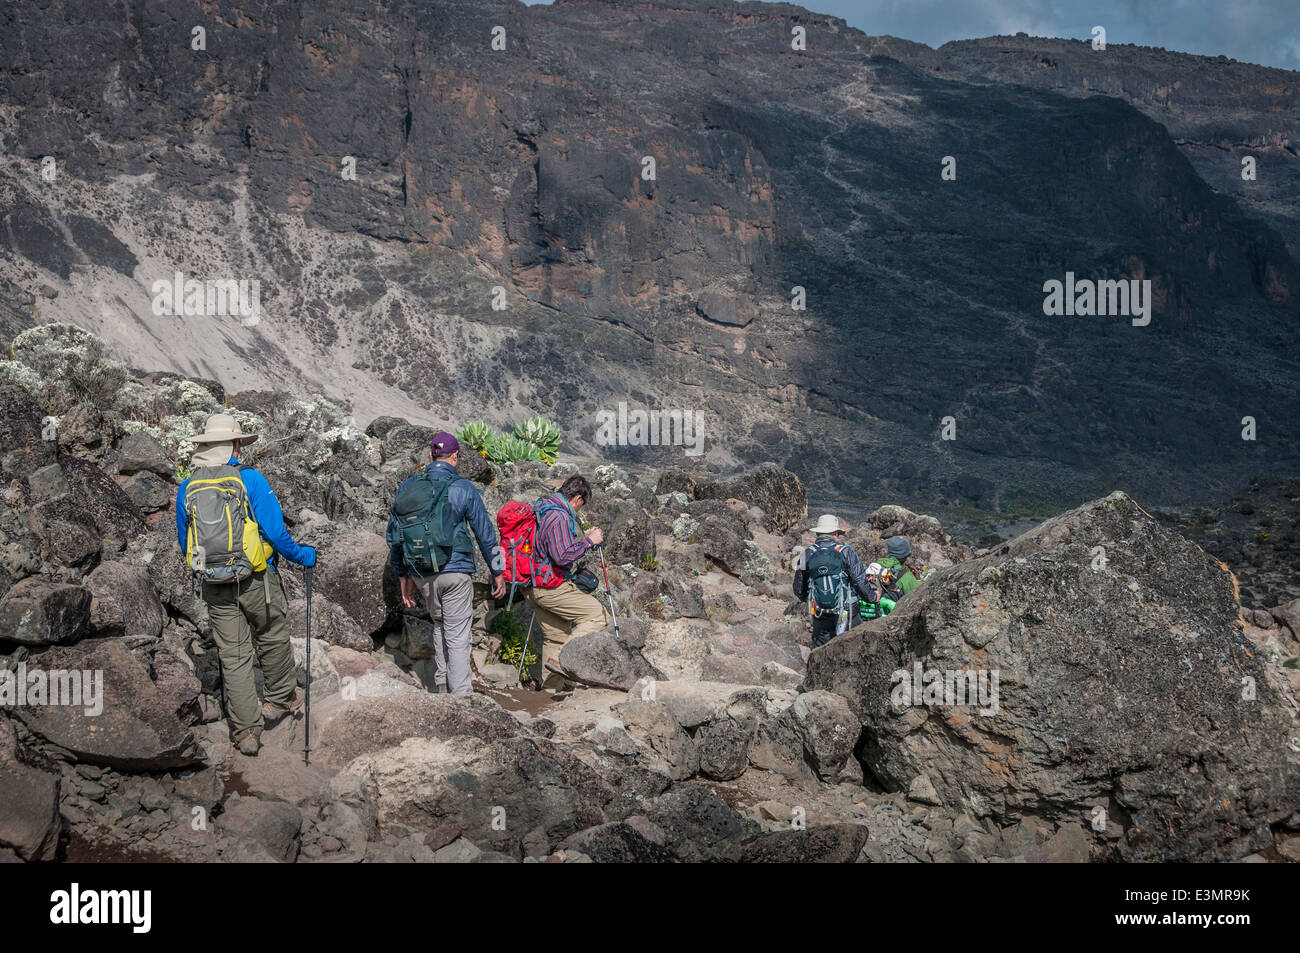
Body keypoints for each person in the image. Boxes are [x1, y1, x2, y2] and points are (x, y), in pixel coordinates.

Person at [176, 413, 316, 756]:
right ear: (235, 445)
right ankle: (281, 699)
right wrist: (302, 555)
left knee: (233, 656)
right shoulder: (250, 480)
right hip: (256, 577)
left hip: (213, 581)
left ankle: (246, 733)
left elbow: (185, 543)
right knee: (271, 633)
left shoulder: (187, 487)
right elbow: (275, 532)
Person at [387, 432, 505, 694]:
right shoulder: (463, 487)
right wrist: (498, 570)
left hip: (422, 573)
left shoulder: (409, 487)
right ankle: (462, 696)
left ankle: (441, 685)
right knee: (458, 634)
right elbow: (485, 534)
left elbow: (394, 535)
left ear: (431, 456)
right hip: (455, 571)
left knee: (440, 624)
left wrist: (403, 575)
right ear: (455, 457)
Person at [525, 474, 611, 685]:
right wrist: (589, 541)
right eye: (583, 504)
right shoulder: (560, 516)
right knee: (598, 616)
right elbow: (561, 555)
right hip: (549, 586)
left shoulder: (542, 507)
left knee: (556, 636)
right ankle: (561, 660)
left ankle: (549, 691)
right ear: (578, 498)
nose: (580, 509)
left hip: (530, 585)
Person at [793, 514, 875, 648]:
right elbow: (860, 580)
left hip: (820, 611)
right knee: (853, 648)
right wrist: (872, 597)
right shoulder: (847, 552)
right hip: (847, 612)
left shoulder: (806, 554)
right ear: (836, 533)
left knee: (821, 650)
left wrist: (813, 597)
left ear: (817, 533)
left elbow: (798, 588)